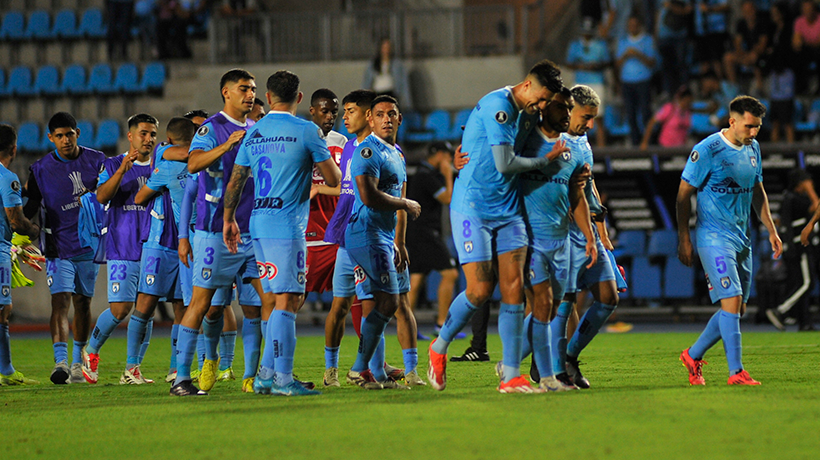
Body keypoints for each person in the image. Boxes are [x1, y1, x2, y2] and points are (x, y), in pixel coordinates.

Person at [427, 59, 564, 393]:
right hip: (472, 208)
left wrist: (466, 147)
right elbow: (504, 164)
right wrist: (546, 161)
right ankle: (438, 347)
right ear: (527, 85)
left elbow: (476, 134)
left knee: (514, 288)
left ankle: (511, 376)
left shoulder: (530, 112)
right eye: (542, 98)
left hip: (509, 211)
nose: (542, 106)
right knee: (479, 291)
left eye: (547, 101)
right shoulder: (499, 106)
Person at [223, 70, 340, 396]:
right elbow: (334, 179)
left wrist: (228, 219)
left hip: (257, 224)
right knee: (289, 299)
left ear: (270, 97)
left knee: (274, 299)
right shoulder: (307, 131)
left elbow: (236, 179)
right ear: (299, 98)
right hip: (287, 227)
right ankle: (283, 379)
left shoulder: (254, 131)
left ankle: (265, 374)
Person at [172, 68, 264, 396]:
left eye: (252, 89)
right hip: (214, 231)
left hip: (253, 233)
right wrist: (226, 145)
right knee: (205, 306)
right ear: (226, 92)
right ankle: (188, 373)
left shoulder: (256, 127)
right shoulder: (212, 128)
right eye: (243, 88)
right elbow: (194, 165)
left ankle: (254, 376)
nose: (250, 94)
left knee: (260, 305)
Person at [678, 95, 781, 386]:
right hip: (713, 237)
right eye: (749, 126)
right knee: (732, 302)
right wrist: (683, 236)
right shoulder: (708, 149)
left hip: (742, 238)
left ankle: (693, 354)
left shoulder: (754, 148)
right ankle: (736, 372)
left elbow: (757, 188)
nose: (753, 133)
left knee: (737, 308)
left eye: (758, 127)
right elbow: (683, 194)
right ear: (731, 121)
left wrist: (771, 229)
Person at [517, 88, 597, 392]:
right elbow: (498, 164)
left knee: (558, 305)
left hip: (564, 235)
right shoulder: (526, 137)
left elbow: (580, 193)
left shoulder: (577, 148)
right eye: (565, 110)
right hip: (526, 235)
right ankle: (522, 365)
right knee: (543, 302)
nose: (568, 116)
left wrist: (593, 234)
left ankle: (554, 367)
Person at [343, 95, 420, 390]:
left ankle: (377, 373)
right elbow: (369, 196)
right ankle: (360, 368)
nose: (387, 118)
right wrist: (405, 203)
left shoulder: (397, 154)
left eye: (392, 114)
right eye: (380, 114)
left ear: (399, 119)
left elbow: (394, 203)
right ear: (371, 120)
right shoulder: (367, 151)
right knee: (385, 302)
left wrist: (399, 242)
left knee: (392, 301)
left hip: (386, 238)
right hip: (365, 233)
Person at [548, 85, 622, 390]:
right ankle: (552, 370)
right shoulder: (553, 140)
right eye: (586, 116)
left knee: (608, 297)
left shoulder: (582, 140)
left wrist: (601, 231)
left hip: (588, 232)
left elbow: (588, 184)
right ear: (569, 109)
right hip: (563, 233)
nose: (590, 124)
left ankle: (569, 357)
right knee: (563, 302)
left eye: (593, 118)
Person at [24, 112, 106, 384]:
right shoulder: (39, 170)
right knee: (60, 301)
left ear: (78, 133)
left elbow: (109, 196)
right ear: (50, 138)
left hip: (88, 245)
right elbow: (31, 208)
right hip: (57, 246)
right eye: (59, 135)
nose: (65, 140)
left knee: (83, 303)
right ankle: (60, 363)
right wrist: (19, 231)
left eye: (69, 134)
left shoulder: (97, 160)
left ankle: (76, 362)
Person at [82, 114, 157, 385]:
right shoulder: (113, 163)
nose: (148, 139)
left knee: (146, 309)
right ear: (130, 135)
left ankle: (132, 369)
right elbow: (101, 196)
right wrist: (122, 171)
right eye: (143, 133)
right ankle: (90, 351)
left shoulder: (160, 165)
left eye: (152, 135)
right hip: (122, 245)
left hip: (153, 246)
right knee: (120, 308)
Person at [129, 117, 197, 384]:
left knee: (186, 305)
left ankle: (176, 368)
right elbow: (140, 197)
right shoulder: (166, 156)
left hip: (184, 240)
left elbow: (139, 196)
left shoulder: (178, 165)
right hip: (163, 238)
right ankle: (132, 367)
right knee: (147, 304)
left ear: (167, 137)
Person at [322, 89, 375, 387]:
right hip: (344, 237)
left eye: (350, 110)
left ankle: (366, 368)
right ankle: (332, 371)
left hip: (366, 237)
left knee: (371, 306)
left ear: (367, 115)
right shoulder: (349, 149)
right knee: (339, 305)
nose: (344, 116)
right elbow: (346, 190)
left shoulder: (377, 149)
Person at [0, 124, 42, 386]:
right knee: (2, 308)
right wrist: (33, 230)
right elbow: (16, 220)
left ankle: (6, 370)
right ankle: (6, 371)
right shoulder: (7, 178)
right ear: (14, 149)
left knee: (5, 308)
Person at [405, 141, 459, 341]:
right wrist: (447, 173)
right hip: (425, 233)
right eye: (446, 155)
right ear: (437, 154)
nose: (448, 159)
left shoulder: (423, 173)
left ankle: (408, 327)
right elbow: (447, 198)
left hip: (417, 232)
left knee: (416, 279)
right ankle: (441, 324)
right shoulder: (426, 175)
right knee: (450, 273)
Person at [305, 89, 346, 299]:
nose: (330, 116)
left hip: (338, 230)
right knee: (296, 295)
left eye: (334, 112)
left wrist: (320, 188)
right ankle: (277, 333)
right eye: (325, 111)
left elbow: (348, 187)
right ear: (312, 111)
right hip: (310, 230)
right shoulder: (301, 139)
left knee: (352, 294)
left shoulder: (342, 143)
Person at [766, 169, 818, 331]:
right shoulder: (793, 198)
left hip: (795, 248)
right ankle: (780, 310)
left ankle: (804, 322)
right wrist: (811, 191)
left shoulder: (791, 198)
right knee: (806, 284)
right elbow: (816, 207)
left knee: (798, 284)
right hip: (798, 248)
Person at [565, 17, 611, 147]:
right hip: (580, 83)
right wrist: (581, 66)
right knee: (578, 118)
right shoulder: (575, 45)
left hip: (597, 81)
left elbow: (607, 62)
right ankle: (577, 148)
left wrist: (595, 66)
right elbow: (569, 63)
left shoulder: (601, 45)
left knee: (598, 117)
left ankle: (601, 149)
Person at [615, 15, 658, 146]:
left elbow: (652, 62)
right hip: (627, 82)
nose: (632, 28)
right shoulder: (623, 41)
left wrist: (638, 54)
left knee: (645, 113)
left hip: (643, 81)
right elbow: (617, 63)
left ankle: (649, 141)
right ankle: (635, 142)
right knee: (630, 114)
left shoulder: (647, 40)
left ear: (639, 26)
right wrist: (626, 55)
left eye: (634, 25)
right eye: (630, 25)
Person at [723, 0, 770, 92]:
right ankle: (734, 88)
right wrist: (742, 54)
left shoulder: (762, 22)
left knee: (754, 57)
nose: (749, 14)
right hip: (746, 54)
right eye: (746, 12)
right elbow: (737, 43)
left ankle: (759, 89)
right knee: (728, 57)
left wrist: (752, 53)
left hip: (759, 54)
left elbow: (762, 44)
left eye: (750, 10)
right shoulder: (741, 24)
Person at [362, 38, 413, 111]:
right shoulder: (373, 64)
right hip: (377, 93)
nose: (386, 50)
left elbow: (403, 83)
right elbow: (366, 81)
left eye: (388, 47)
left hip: (391, 93)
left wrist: (407, 102)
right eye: (384, 47)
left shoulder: (397, 64)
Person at [656, 0, 693, 97]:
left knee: (681, 64)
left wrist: (672, 7)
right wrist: (655, 34)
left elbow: (688, 10)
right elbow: (658, 13)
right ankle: (668, 92)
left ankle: (684, 92)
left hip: (680, 35)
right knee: (666, 65)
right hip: (664, 36)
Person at [692, 0, 730, 78]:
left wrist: (710, 9)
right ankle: (705, 86)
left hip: (716, 31)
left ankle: (721, 85)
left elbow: (726, 6)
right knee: (703, 61)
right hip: (700, 32)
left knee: (716, 60)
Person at [792, 0, 820, 94]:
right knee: (797, 57)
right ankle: (801, 89)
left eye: (810, 9)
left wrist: (805, 42)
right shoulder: (799, 21)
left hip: (817, 51)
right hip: (806, 51)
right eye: (805, 10)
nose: (808, 12)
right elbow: (796, 43)